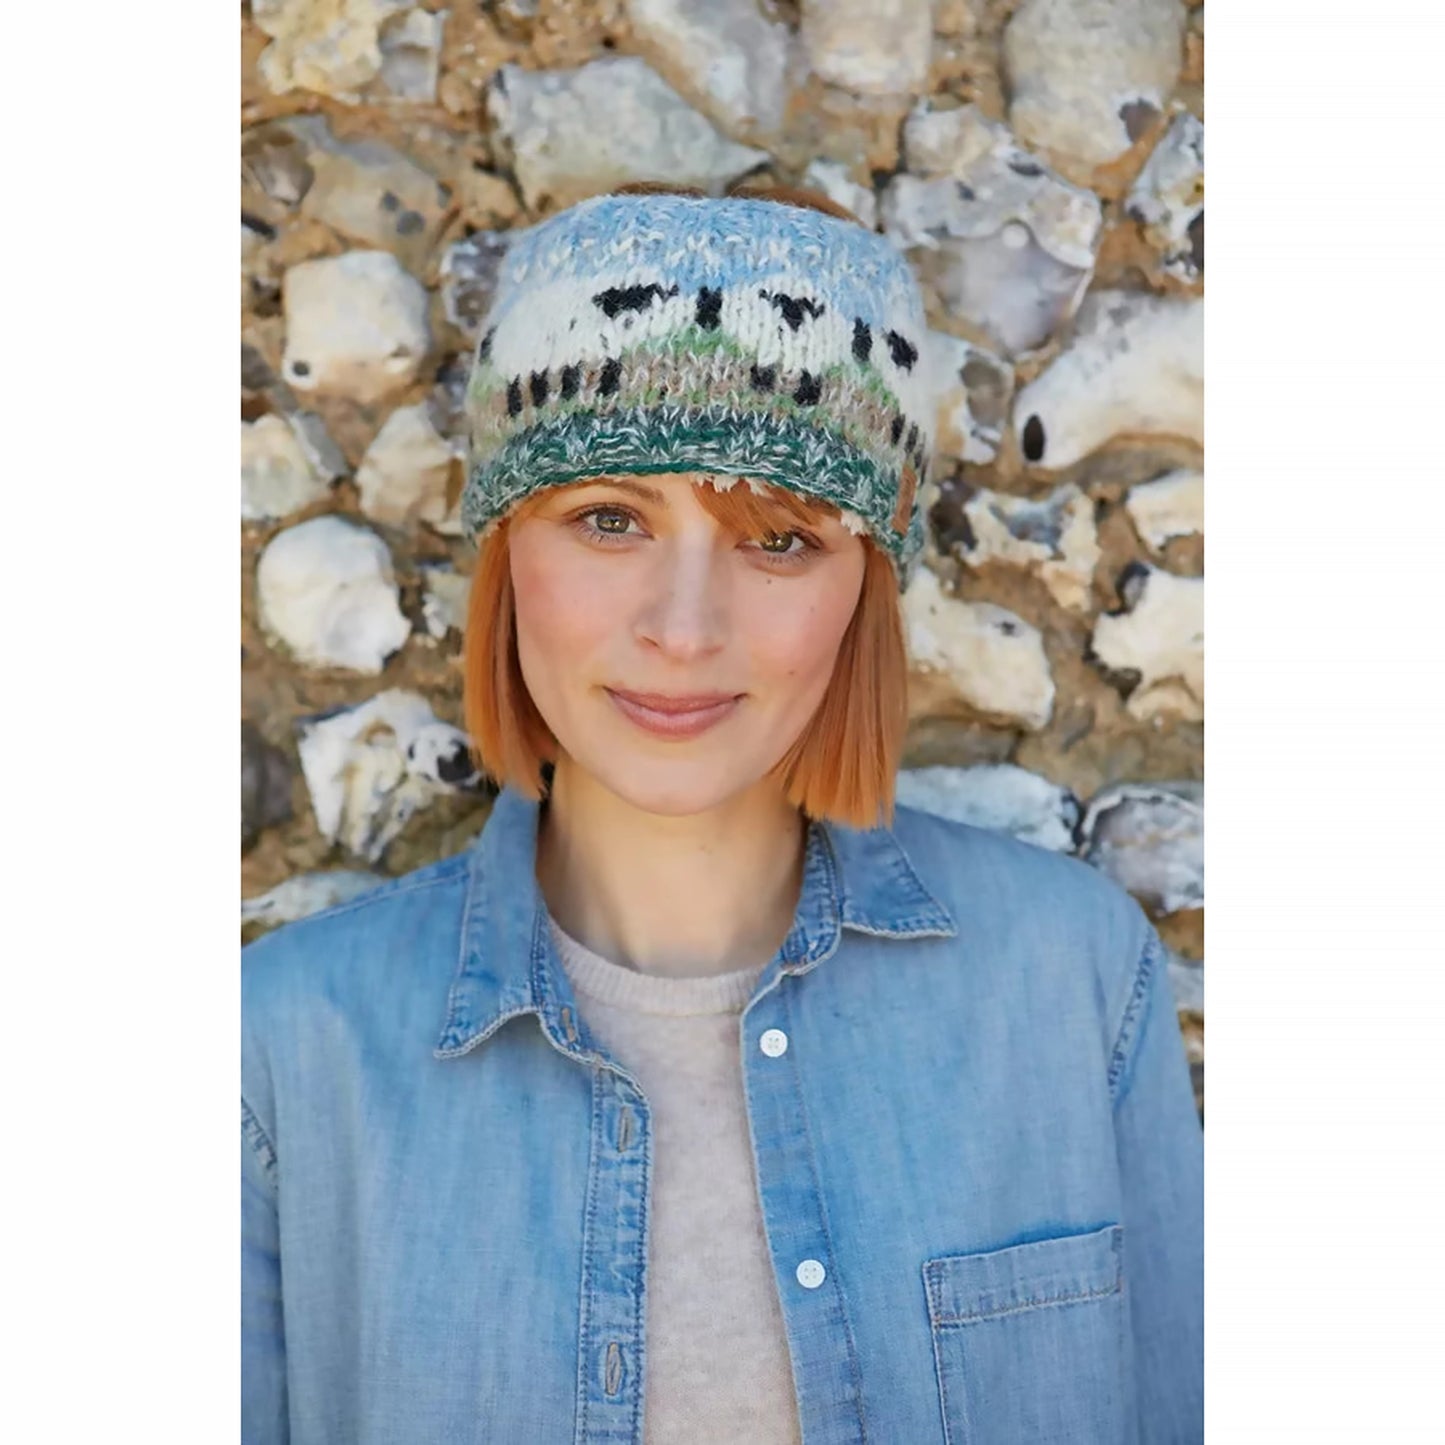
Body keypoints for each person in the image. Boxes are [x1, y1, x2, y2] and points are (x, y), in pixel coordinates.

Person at [242, 182, 1204, 1444]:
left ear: (867, 582)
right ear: (505, 551)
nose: (683, 627)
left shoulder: (1070, 981)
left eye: (779, 537)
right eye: (607, 519)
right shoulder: (283, 1052)